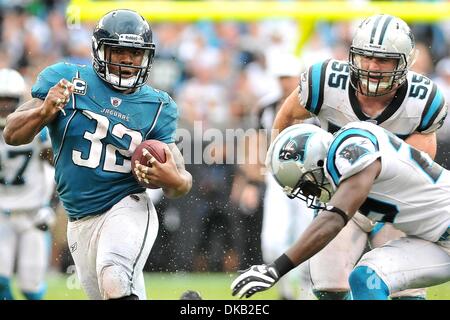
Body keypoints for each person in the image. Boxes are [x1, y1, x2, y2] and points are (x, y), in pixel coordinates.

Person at [3, 9, 192, 300]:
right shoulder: (67, 80)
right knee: (113, 292)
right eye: (119, 51)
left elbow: (183, 181)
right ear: (100, 50)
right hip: (80, 219)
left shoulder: (158, 107)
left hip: (126, 205)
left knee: (113, 276)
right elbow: (12, 134)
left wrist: (172, 180)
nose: (128, 60)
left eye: (134, 52)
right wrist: (44, 112)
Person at [265, 14, 447, 300]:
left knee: (405, 291)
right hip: (340, 194)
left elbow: (419, 163)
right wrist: (280, 164)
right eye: (366, 57)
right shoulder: (325, 82)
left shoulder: (423, 100)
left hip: (391, 201)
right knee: (329, 287)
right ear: (353, 55)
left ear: (404, 63)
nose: (373, 67)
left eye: (384, 60)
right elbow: (287, 117)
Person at [231, 121, 450, 299]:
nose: (311, 194)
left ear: (316, 161)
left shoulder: (350, 148)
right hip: (436, 240)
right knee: (366, 277)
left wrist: (275, 269)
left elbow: (334, 219)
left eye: (306, 185)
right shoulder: (347, 148)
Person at [0, 68, 56, 300]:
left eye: (9, 101)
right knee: (0, 279)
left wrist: (50, 206)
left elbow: (58, 168)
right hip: (2, 212)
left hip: (33, 212)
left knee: (31, 286)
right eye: (0, 101)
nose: (4, 107)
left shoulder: (37, 132)